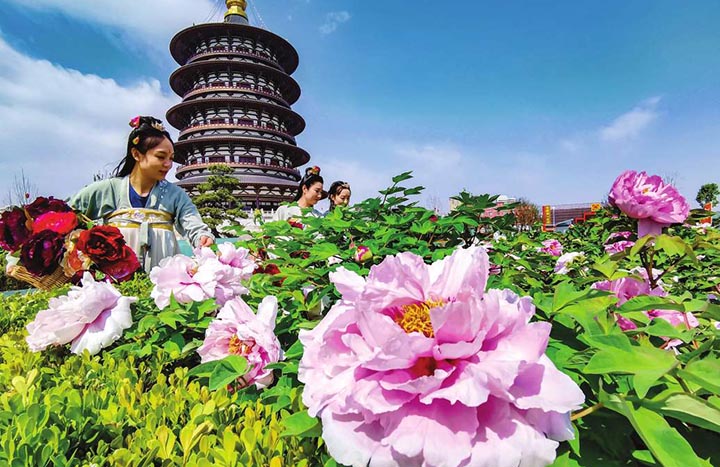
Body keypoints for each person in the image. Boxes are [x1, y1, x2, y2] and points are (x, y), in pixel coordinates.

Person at [69, 116, 214, 272]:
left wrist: (202, 237)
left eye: (171, 158)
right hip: (114, 281)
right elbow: (67, 215)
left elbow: (192, 222)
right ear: (136, 154)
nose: (168, 164)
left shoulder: (176, 195)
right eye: (160, 156)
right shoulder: (108, 189)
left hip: (163, 281)